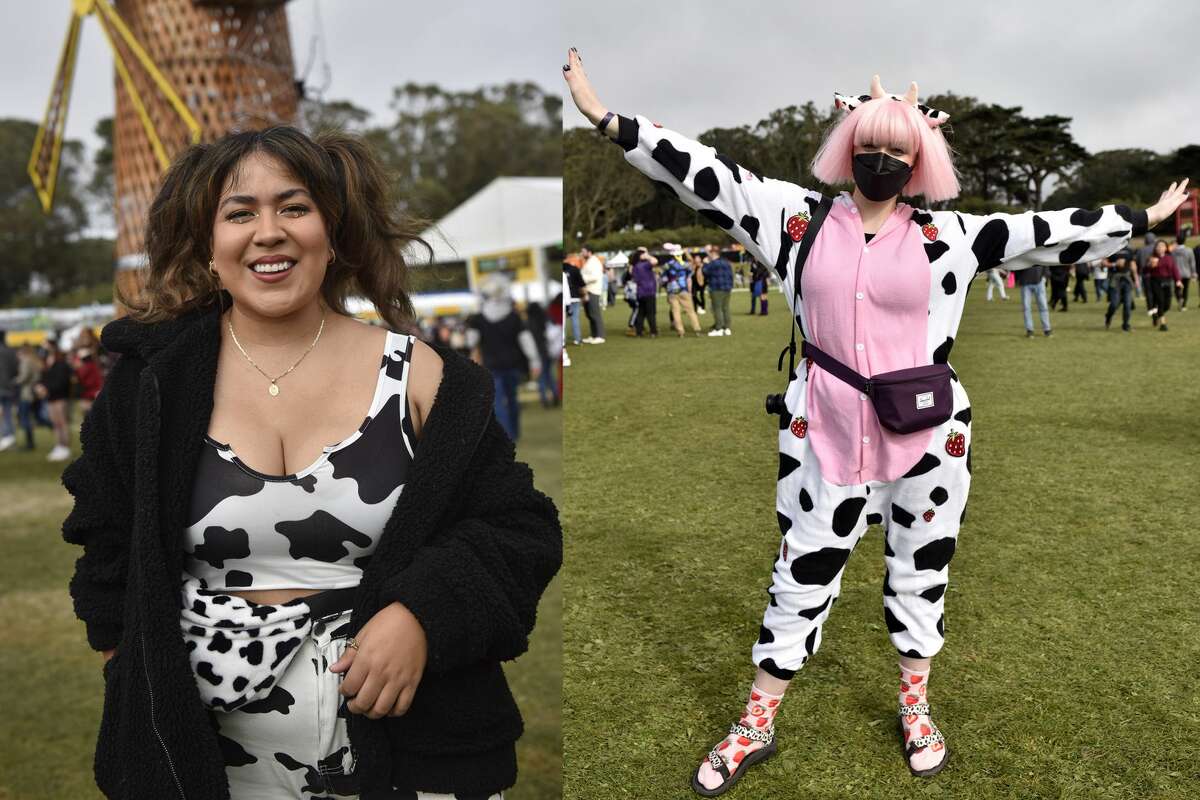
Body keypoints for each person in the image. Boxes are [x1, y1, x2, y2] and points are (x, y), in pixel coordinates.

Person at [564, 51, 1189, 795]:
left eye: (898, 151)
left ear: (920, 159)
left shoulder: (949, 235)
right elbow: (711, 176)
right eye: (870, 147)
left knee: (922, 571)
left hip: (929, 435)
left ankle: (915, 706)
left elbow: (1044, 230)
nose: (882, 161)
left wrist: (1139, 218)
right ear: (846, 148)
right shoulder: (797, 219)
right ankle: (757, 721)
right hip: (824, 429)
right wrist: (611, 122)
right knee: (800, 573)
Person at [61, 125, 561, 799]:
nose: (269, 232)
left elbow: (518, 528)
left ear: (333, 230)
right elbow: (107, 544)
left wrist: (422, 614)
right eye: (239, 214)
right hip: (210, 765)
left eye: (293, 207)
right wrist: (135, 681)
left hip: (417, 759)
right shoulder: (153, 385)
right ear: (208, 246)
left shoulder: (420, 378)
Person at [466, 274, 542, 440]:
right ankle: (514, 432)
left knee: (498, 401)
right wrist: (534, 360)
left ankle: (507, 435)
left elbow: (471, 341)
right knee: (513, 399)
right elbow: (526, 341)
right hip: (513, 364)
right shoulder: (514, 316)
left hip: (492, 365)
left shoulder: (479, 318)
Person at [35, 339, 74, 461]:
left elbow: (62, 382)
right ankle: (58, 446)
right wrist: (40, 387)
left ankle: (65, 447)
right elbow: (43, 378)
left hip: (61, 397)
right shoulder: (47, 363)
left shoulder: (61, 364)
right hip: (51, 397)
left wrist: (47, 388)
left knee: (62, 423)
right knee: (56, 424)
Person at [524, 300, 560, 408]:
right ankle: (555, 395)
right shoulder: (545, 320)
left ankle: (544, 399)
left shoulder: (528, 324)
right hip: (547, 350)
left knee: (541, 377)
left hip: (536, 352)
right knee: (549, 374)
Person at [662, 243, 703, 337]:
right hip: (684, 290)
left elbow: (663, 279)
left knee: (676, 312)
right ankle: (697, 329)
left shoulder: (667, 265)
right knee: (691, 311)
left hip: (672, 291)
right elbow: (690, 274)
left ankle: (680, 332)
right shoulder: (685, 265)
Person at [1146, 239, 1182, 331]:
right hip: (1155, 281)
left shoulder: (1169, 258)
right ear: (1156, 248)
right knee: (1160, 301)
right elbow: (1145, 270)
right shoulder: (1152, 258)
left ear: (1166, 248)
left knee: (1168, 304)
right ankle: (1163, 324)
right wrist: (1150, 265)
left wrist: (1178, 280)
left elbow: (1175, 269)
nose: (1160, 248)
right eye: (1158, 246)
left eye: (1162, 246)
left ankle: (1156, 315)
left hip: (1167, 281)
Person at [702, 245, 734, 336]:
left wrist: (705, 263)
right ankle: (727, 328)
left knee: (717, 309)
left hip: (716, 288)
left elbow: (705, 272)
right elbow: (731, 275)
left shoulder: (712, 264)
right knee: (726, 308)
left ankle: (718, 329)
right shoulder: (726, 262)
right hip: (727, 288)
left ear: (713, 253)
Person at [14, 344, 40, 451]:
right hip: (32, 392)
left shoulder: (26, 361)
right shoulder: (34, 360)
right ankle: (30, 442)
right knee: (29, 417)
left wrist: (14, 381)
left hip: (26, 393)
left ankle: (29, 443)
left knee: (25, 418)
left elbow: (24, 377)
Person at [1103, 249, 1137, 332]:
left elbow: (1133, 264)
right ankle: (1108, 316)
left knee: (1128, 304)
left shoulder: (1129, 250)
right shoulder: (1112, 249)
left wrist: (1136, 279)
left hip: (1127, 280)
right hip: (1115, 280)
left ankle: (1125, 325)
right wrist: (1115, 264)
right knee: (1114, 303)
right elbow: (1103, 263)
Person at [579, 245, 607, 343]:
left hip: (593, 290)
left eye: (583, 251)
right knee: (589, 314)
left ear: (589, 252)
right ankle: (593, 335)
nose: (582, 253)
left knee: (594, 313)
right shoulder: (588, 262)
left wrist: (582, 280)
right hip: (587, 290)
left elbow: (594, 277)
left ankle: (600, 336)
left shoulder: (594, 262)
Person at [629, 247, 659, 337]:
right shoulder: (645, 265)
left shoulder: (634, 267)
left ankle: (639, 331)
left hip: (640, 292)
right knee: (651, 313)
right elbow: (655, 261)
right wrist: (648, 256)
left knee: (641, 312)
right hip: (649, 291)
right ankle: (653, 331)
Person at [1018, 265, 1053, 338]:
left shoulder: (1040, 253)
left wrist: (1045, 277)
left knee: (1043, 307)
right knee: (1026, 308)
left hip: (1039, 282)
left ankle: (1047, 330)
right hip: (1025, 282)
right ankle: (1029, 330)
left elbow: (1045, 263)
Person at [0, 329, 17, 451]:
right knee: (7, 413)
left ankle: (7, 437)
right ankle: (9, 436)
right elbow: (15, 369)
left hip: (3, 386)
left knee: (4, 413)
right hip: (9, 386)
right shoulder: (11, 351)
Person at [564, 260, 586, 345]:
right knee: (575, 318)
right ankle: (577, 339)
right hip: (574, 297)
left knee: (563, 320)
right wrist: (584, 294)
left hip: (563, 299)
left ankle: (563, 340)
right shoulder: (574, 269)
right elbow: (581, 283)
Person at [1172, 234, 1194, 311]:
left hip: (1177, 273)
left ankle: (1179, 299)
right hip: (1186, 273)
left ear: (1177, 241)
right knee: (1186, 289)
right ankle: (1184, 305)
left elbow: (1172, 263)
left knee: (1176, 289)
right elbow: (1192, 263)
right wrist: (1193, 272)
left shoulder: (1174, 251)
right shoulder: (1189, 250)